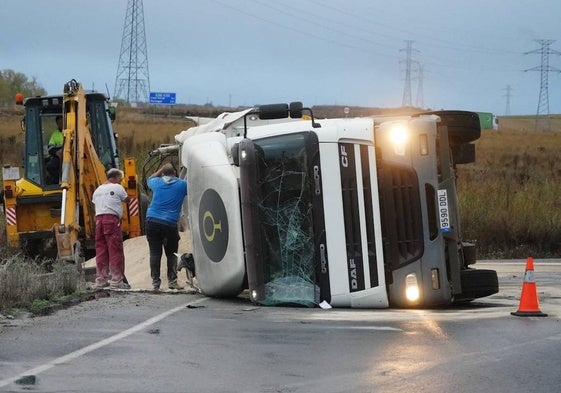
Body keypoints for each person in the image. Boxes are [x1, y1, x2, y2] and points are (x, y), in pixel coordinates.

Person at [146, 163, 188, 291]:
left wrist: (161, 169)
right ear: (175, 173)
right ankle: (172, 281)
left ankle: (155, 284)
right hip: (169, 223)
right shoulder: (182, 184)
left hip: (152, 220)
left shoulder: (156, 183)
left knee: (154, 253)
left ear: (163, 173)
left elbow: (149, 178)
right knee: (171, 254)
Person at [92, 168, 131, 289]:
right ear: (116, 178)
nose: (121, 180)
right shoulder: (117, 187)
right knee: (115, 250)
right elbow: (127, 199)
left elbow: (94, 204)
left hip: (99, 220)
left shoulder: (97, 190)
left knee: (101, 250)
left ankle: (101, 279)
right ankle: (116, 280)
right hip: (111, 220)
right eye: (120, 178)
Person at [45, 115, 64, 184]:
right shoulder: (55, 134)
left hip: (73, 156)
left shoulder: (73, 131)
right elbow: (50, 148)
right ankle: (57, 181)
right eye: (59, 123)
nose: (61, 124)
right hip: (59, 157)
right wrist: (56, 152)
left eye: (62, 122)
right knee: (50, 166)